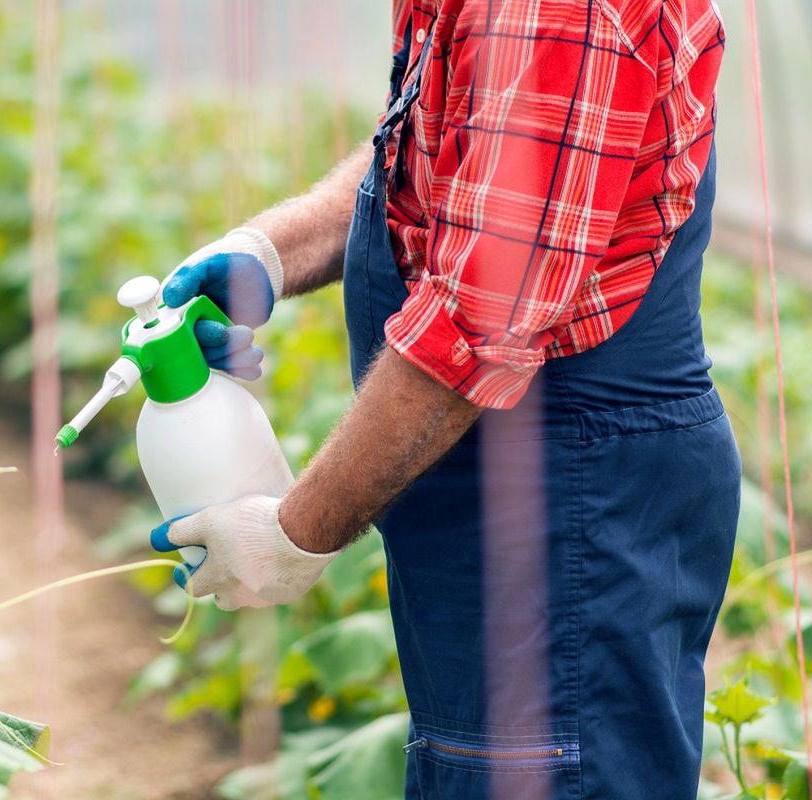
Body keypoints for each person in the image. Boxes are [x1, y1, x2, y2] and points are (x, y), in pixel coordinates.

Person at [149, 0, 739, 797]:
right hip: (507, 483)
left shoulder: (555, 9)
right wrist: (272, 251)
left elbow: (479, 320)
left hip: (566, 500)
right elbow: (448, 146)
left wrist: (293, 534)